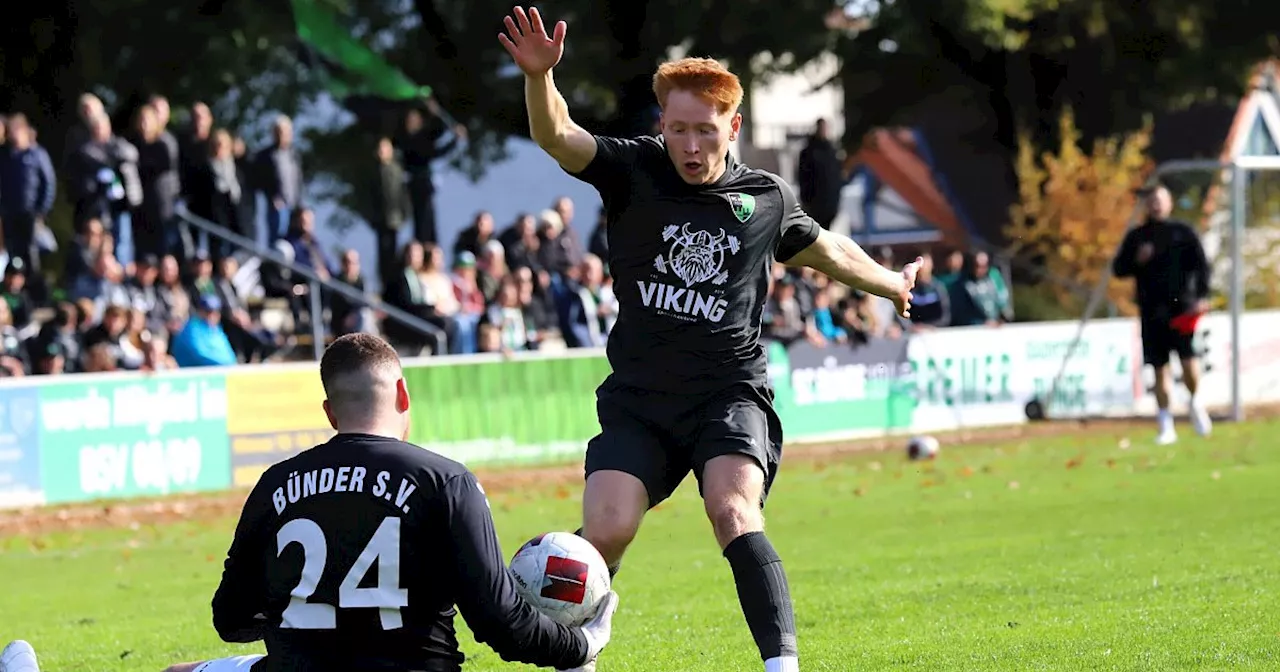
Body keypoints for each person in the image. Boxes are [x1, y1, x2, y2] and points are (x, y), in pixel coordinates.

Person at [499, 7, 920, 672]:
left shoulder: (766, 198)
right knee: (606, 530)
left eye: (704, 130)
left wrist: (889, 282)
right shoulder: (634, 169)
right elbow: (558, 136)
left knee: (731, 510)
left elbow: (826, 249)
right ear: (660, 124)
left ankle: (781, 666)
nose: (690, 145)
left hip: (729, 394)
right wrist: (538, 79)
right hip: (641, 399)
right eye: (677, 129)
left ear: (733, 127)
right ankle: (576, 645)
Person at [0, 333, 619, 672]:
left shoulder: (276, 484)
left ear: (329, 411)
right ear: (403, 394)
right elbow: (503, 626)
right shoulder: (447, 482)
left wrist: (304, 616)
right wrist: (579, 646)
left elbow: (230, 618)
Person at [1113, 184, 1213, 445]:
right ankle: (1165, 422)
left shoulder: (1183, 233)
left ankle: (1195, 402)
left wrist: (1201, 297)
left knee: (1189, 360)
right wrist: (1138, 259)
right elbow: (1119, 269)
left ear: (1169, 203)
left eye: (1160, 200)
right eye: (1152, 201)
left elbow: (1202, 267)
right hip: (1151, 310)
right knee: (1159, 369)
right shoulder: (1137, 237)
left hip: (1181, 308)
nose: (1156, 205)